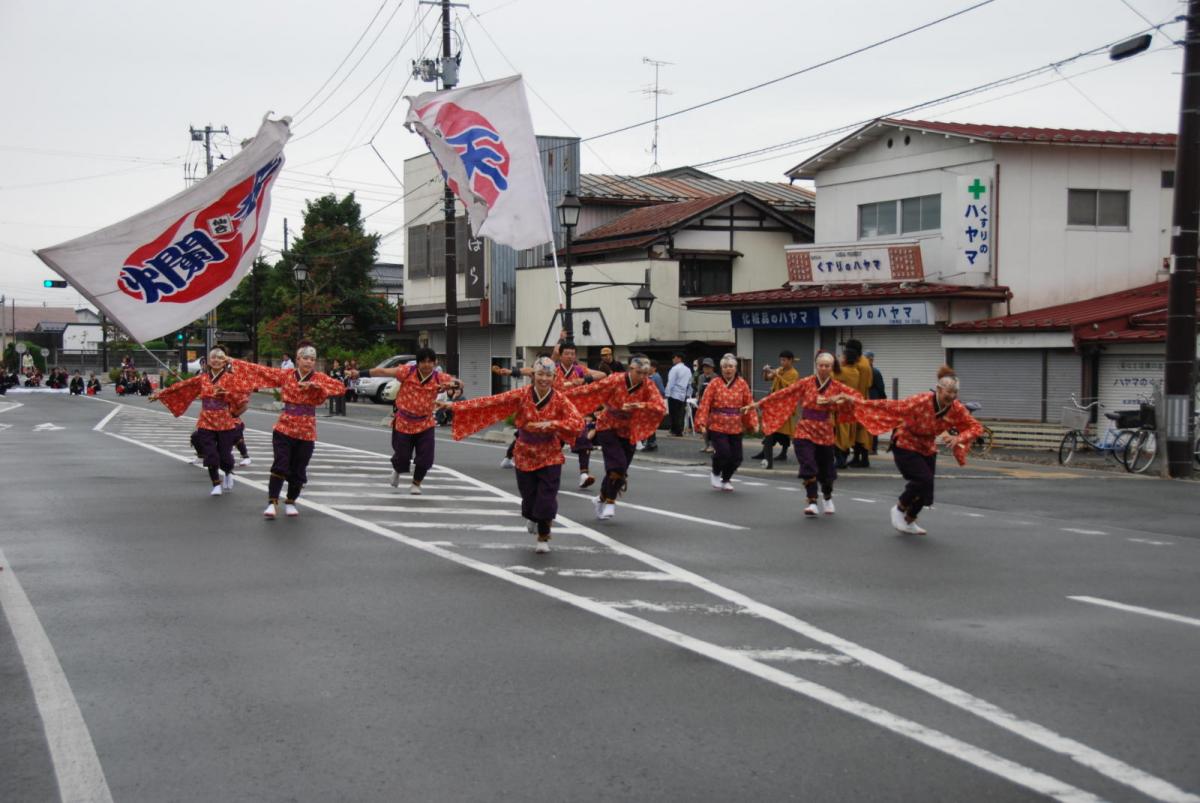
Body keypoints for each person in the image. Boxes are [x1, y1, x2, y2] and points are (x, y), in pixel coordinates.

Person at [450, 356, 584, 553]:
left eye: (548, 375)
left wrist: (553, 424)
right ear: (533, 375)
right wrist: (455, 406)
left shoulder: (560, 399)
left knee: (547, 496)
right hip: (524, 452)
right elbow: (491, 402)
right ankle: (531, 516)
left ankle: (543, 536)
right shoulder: (521, 395)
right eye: (540, 374)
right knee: (529, 497)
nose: (544, 379)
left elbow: (578, 422)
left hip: (550, 452)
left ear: (554, 377)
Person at [839, 365, 985, 535]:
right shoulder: (921, 401)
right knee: (922, 479)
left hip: (927, 446)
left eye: (955, 393)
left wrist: (958, 438)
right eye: (948, 392)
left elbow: (976, 427)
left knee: (927, 494)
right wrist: (857, 401)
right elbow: (892, 406)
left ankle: (909, 520)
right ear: (938, 389)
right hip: (906, 443)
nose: (951, 396)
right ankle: (899, 508)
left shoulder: (957, 408)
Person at [750, 350, 860, 516]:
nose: (823, 368)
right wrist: (759, 403)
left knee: (826, 470)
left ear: (832, 368)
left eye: (827, 366)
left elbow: (857, 399)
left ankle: (828, 497)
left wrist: (841, 399)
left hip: (825, 430)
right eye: (821, 365)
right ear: (816, 366)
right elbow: (784, 393)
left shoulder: (838, 387)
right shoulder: (806, 382)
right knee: (808, 464)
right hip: (805, 428)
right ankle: (812, 501)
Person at [149, 348, 264, 496]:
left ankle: (228, 472)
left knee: (225, 456)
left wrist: (227, 394)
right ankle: (216, 483)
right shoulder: (202, 378)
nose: (216, 360)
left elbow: (242, 398)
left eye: (219, 357)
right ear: (209, 361)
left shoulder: (232, 379)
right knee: (210, 454)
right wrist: (161, 394)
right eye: (213, 357)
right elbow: (183, 386)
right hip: (206, 421)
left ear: (225, 361)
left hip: (225, 422)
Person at [252, 343, 347, 519]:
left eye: (312, 359)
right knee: (280, 463)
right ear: (297, 359)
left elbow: (340, 388)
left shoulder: (319, 378)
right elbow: (260, 371)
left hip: (306, 430)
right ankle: (272, 502)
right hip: (285, 427)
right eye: (305, 358)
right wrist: (230, 361)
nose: (309, 362)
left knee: (299, 468)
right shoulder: (287, 375)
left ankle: (291, 501)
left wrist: (317, 387)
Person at [565, 355, 665, 520]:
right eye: (639, 372)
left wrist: (640, 405)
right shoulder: (615, 379)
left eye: (645, 373)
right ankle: (610, 501)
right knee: (617, 465)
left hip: (628, 428)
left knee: (620, 469)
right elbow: (591, 390)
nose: (642, 377)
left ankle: (601, 498)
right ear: (631, 369)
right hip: (608, 426)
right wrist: (563, 397)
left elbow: (659, 405)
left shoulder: (648, 384)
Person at [357, 347, 460, 495]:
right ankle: (397, 470)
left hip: (425, 422)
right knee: (402, 455)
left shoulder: (439, 378)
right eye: (423, 362)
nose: (427, 365)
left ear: (435, 363)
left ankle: (416, 483)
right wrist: (360, 373)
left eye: (430, 362)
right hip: (404, 421)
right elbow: (383, 372)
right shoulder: (407, 372)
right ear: (417, 363)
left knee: (426, 456)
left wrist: (454, 384)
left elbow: (459, 383)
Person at [694, 354, 756, 491]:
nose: (728, 369)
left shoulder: (742, 383)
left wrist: (752, 423)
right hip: (718, 424)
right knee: (723, 453)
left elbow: (749, 404)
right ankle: (715, 472)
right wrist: (702, 422)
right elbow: (705, 403)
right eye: (725, 367)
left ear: (735, 368)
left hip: (735, 425)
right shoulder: (714, 383)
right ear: (721, 368)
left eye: (731, 366)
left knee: (737, 458)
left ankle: (726, 479)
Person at [751, 350, 799, 468]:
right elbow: (767, 378)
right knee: (770, 428)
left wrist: (777, 375)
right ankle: (765, 452)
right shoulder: (779, 370)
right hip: (774, 404)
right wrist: (765, 370)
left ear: (791, 360)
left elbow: (790, 387)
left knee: (783, 430)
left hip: (784, 405)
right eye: (781, 360)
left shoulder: (794, 373)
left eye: (784, 360)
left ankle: (783, 453)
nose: (782, 362)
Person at [834, 339, 875, 469]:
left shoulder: (859, 366)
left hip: (855, 400)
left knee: (858, 431)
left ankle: (862, 459)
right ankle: (858, 458)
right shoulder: (864, 362)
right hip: (861, 399)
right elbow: (869, 383)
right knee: (858, 431)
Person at [665, 352, 691, 437]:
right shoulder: (688, 369)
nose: (673, 359)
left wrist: (667, 393)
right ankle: (679, 430)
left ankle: (674, 430)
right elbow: (689, 383)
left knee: (673, 413)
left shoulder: (675, 369)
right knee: (680, 413)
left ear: (679, 358)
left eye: (674, 358)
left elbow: (671, 381)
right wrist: (688, 394)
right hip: (683, 394)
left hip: (674, 393)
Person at [694, 357, 717, 451]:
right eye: (704, 367)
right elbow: (699, 390)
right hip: (702, 404)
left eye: (708, 367)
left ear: (712, 368)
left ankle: (712, 445)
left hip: (712, 405)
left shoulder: (716, 378)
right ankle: (706, 444)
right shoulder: (700, 377)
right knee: (702, 425)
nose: (706, 369)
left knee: (711, 426)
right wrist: (698, 397)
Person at [866, 351, 887, 454]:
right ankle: (872, 448)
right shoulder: (876, 372)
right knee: (873, 424)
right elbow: (881, 388)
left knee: (869, 425)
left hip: (867, 400)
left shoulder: (866, 372)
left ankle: (869, 447)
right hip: (874, 400)